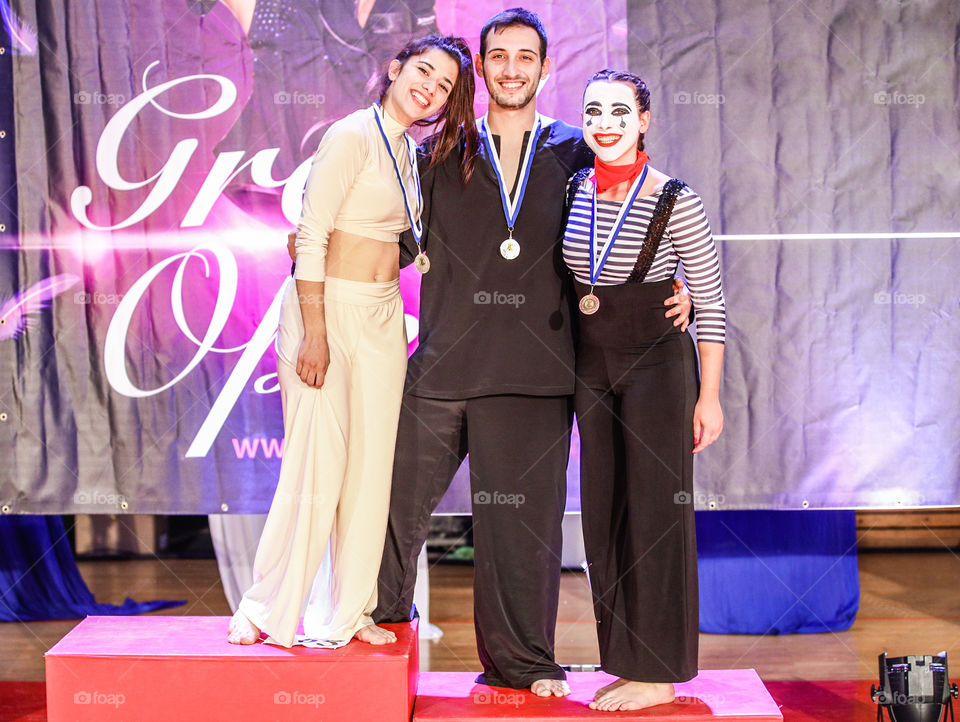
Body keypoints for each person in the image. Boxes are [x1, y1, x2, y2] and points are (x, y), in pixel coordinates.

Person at [369, 9, 692, 695]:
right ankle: (375, 634)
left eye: (525, 56)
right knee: (387, 511)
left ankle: (521, 665)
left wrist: (678, 289)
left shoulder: (580, 154)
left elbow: (642, 223)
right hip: (441, 367)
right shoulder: (439, 151)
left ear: (547, 69)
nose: (511, 67)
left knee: (521, 537)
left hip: (537, 376)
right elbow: (387, 232)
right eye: (498, 56)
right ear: (481, 69)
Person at [227, 34, 478, 648]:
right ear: (394, 70)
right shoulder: (351, 135)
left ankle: (352, 612)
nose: (430, 88)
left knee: (371, 471)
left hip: (383, 318)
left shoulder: (413, 151)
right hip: (326, 312)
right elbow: (309, 236)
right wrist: (314, 332)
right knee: (317, 466)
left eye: (444, 85)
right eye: (423, 71)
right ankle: (265, 607)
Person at [561, 68, 725, 711]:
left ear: (644, 120)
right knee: (605, 516)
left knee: (657, 518)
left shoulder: (674, 198)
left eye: (619, 112)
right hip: (591, 369)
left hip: (658, 368)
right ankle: (626, 658)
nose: (605, 122)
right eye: (593, 110)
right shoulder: (574, 187)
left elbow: (708, 302)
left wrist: (708, 397)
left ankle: (659, 673)